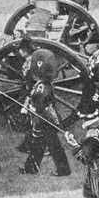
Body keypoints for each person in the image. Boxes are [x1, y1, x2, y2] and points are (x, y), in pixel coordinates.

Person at [21, 49, 71, 177]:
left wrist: (31, 108)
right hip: (43, 120)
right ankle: (31, 168)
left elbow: (40, 103)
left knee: (53, 146)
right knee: (38, 144)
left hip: (45, 120)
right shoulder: (43, 84)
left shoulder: (42, 86)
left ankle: (63, 170)